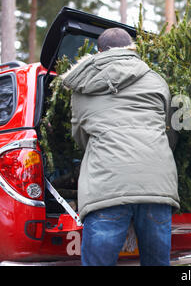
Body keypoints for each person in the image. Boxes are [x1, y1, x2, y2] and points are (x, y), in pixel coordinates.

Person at [61, 27, 179, 266]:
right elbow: (169, 130)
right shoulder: (156, 79)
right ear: (131, 49)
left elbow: (80, 135)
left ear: (99, 51)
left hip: (106, 186)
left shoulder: (82, 87)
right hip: (156, 182)